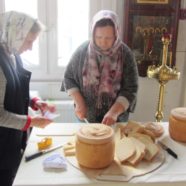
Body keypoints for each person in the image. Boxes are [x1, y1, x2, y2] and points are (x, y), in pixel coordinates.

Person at [0, 11, 55, 186]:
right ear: (15, 35)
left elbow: (15, 91)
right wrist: (31, 121)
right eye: (29, 41)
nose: (30, 47)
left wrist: (35, 101)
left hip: (12, 142)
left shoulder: (13, 55)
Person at [61, 10, 138, 125]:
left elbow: (130, 89)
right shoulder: (82, 51)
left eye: (108, 38)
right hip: (86, 119)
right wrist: (79, 102)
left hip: (116, 120)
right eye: (99, 37)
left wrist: (113, 113)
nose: (103, 42)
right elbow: (68, 78)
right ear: (92, 33)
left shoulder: (125, 54)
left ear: (116, 34)